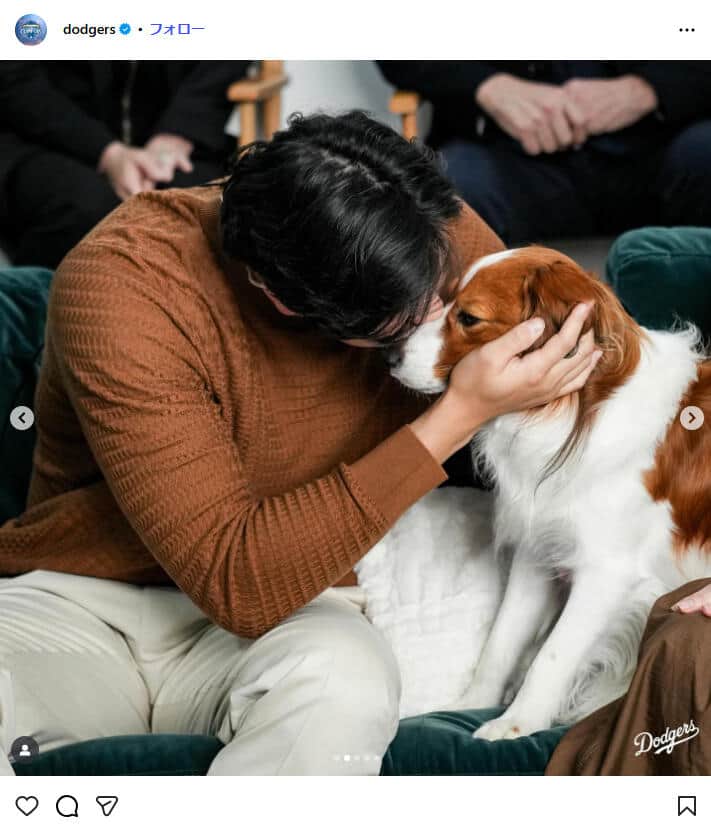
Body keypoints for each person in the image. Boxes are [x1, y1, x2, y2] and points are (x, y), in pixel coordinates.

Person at [0, 111, 601, 776]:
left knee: (343, 686)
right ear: (281, 300)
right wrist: (460, 412)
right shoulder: (122, 283)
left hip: (302, 612)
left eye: (447, 295)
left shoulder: (431, 231)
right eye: (408, 324)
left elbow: (609, 399)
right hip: (79, 601)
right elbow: (236, 579)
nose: (442, 320)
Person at [377, 61, 711, 244]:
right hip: (506, 154)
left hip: (665, 145)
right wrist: (486, 86)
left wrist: (648, 90)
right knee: (448, 194)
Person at [0, 60, 250, 268]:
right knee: (85, 209)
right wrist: (106, 152)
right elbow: (15, 79)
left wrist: (178, 130)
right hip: (49, 135)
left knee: (196, 209)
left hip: (177, 134)